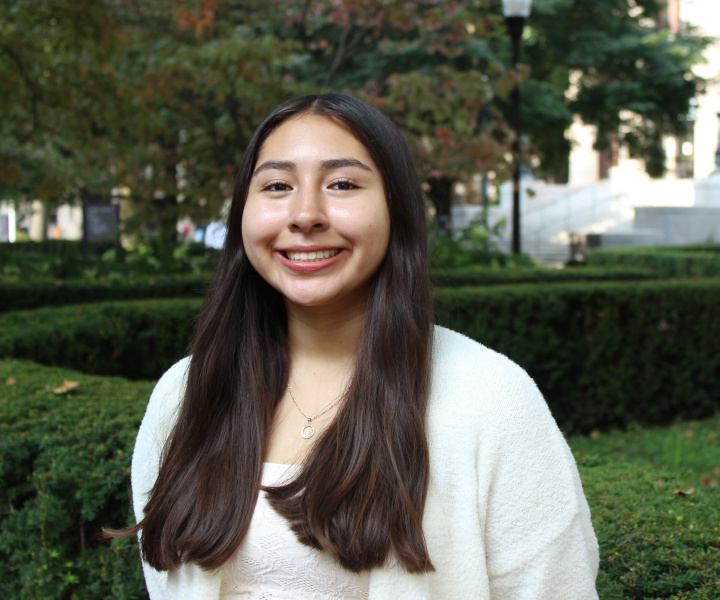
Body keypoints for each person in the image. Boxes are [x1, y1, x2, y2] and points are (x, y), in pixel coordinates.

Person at [122, 92, 599, 599]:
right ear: (244, 211)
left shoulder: (492, 400)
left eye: (343, 184)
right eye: (277, 185)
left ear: (396, 208)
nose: (305, 215)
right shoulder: (185, 394)